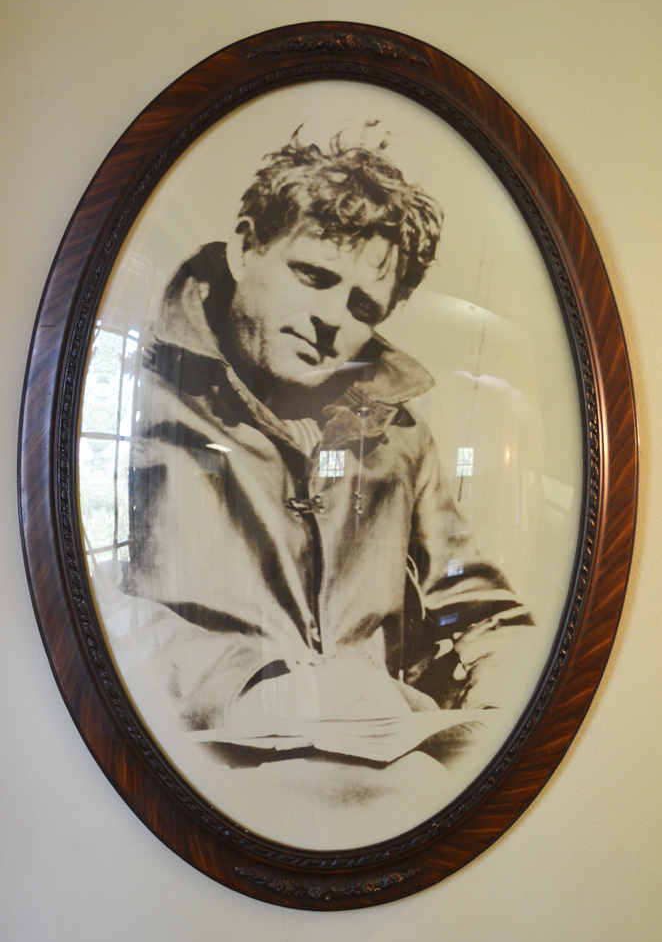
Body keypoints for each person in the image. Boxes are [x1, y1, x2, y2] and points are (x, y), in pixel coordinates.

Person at [125, 126, 535, 770]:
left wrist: (507, 702)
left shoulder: (402, 435)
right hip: (190, 783)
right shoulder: (134, 392)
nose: (333, 319)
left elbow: (484, 616)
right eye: (313, 275)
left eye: (363, 306)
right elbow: (84, 606)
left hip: (391, 790)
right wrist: (255, 687)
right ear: (246, 245)